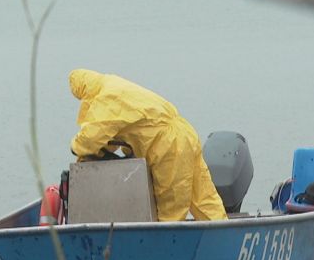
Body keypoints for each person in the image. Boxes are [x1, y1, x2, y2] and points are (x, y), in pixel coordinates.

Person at [68, 68, 227, 222]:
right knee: (203, 196)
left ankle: (168, 244)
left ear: (82, 90)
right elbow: (114, 132)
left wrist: (75, 148)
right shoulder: (115, 85)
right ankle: (224, 234)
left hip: (168, 145)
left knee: (171, 204)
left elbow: (91, 137)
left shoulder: (105, 99)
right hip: (185, 133)